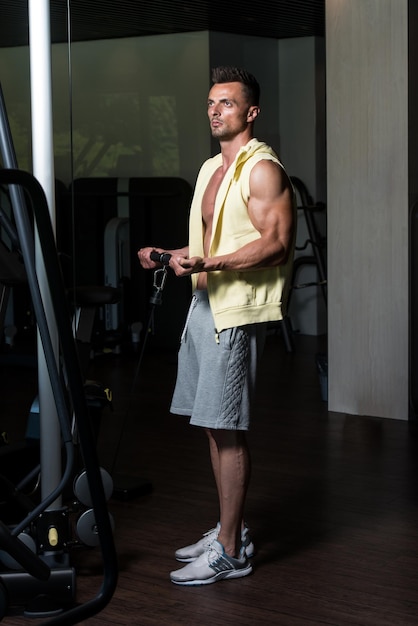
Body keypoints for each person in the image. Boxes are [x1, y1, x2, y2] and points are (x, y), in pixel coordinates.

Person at [138, 66, 295, 586]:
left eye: (226, 103)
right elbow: (212, 244)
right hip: (203, 308)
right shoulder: (210, 170)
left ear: (250, 112)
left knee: (228, 430)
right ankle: (233, 528)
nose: (215, 110)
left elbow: (276, 244)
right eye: (211, 102)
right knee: (211, 421)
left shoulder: (262, 170)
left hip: (236, 313)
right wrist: (172, 255)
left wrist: (212, 266)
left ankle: (231, 550)